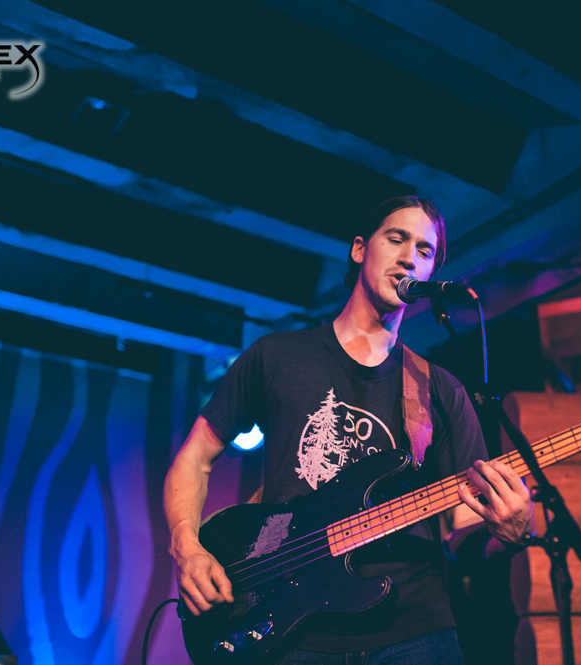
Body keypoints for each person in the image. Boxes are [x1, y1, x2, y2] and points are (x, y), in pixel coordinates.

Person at [163, 196, 534, 663]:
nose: (408, 257)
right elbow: (194, 459)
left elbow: (461, 533)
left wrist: (507, 535)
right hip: (291, 625)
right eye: (396, 238)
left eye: (424, 250)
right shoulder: (276, 356)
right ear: (360, 249)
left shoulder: (438, 389)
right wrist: (187, 545)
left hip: (414, 628)